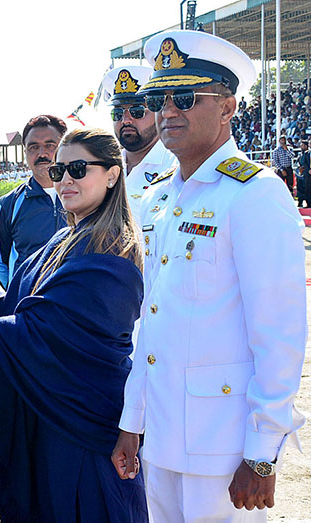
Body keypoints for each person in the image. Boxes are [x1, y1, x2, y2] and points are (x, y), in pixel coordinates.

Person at [112, 31, 306, 521]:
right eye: (158, 99)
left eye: (185, 98)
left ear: (227, 107)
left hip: (223, 445)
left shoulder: (254, 194)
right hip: (162, 436)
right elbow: (148, 322)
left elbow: (279, 333)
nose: (167, 111)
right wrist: (132, 423)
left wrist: (262, 451)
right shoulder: (158, 196)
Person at [0, 128, 147, 522]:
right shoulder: (66, 237)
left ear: (111, 174)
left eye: (77, 169)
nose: (65, 180)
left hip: (82, 421)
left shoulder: (111, 247)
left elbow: (42, 331)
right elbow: (19, 308)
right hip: (48, 412)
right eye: (59, 172)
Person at [0, 115, 67, 289]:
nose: (42, 154)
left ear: (65, 148)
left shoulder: (86, 196)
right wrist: (16, 294)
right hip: (29, 310)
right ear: (25, 152)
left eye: (50, 145)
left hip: (78, 307)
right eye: (33, 147)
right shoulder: (7, 206)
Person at [101, 66, 176, 226]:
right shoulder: (104, 166)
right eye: (118, 113)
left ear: (159, 111)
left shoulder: (176, 167)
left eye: (137, 111)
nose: (126, 120)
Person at [297, 140, 310, 207]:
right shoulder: (300, 154)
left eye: (302, 145)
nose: (301, 146)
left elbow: (307, 164)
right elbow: (297, 162)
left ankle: (308, 203)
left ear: (306, 146)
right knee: (300, 188)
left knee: (307, 189)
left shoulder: (308, 154)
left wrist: (305, 169)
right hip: (300, 175)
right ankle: (300, 202)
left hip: (307, 174)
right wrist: (299, 168)